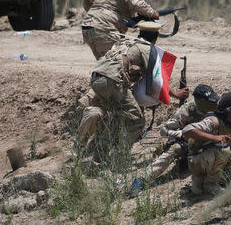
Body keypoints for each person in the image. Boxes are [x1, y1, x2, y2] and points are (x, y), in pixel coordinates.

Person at [78, 21, 189, 160]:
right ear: (155, 38)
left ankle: (98, 156)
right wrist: (175, 94)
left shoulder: (124, 42)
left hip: (97, 78)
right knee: (136, 120)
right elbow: (157, 80)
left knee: (117, 116)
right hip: (113, 82)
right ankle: (119, 159)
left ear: (140, 33)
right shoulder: (148, 49)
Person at [81, 0, 160, 60]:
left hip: (88, 26)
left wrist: (94, 13)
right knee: (117, 62)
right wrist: (153, 13)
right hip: (105, 28)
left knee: (105, 62)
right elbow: (137, 3)